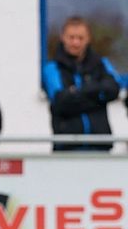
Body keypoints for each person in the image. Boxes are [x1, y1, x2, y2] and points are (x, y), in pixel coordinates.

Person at [43, 16, 121, 152]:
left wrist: (76, 92)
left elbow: (114, 89)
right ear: (63, 37)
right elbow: (61, 101)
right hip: (66, 150)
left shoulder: (102, 64)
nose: (76, 43)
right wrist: (98, 95)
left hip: (100, 149)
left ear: (88, 38)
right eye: (71, 37)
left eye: (80, 38)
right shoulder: (52, 68)